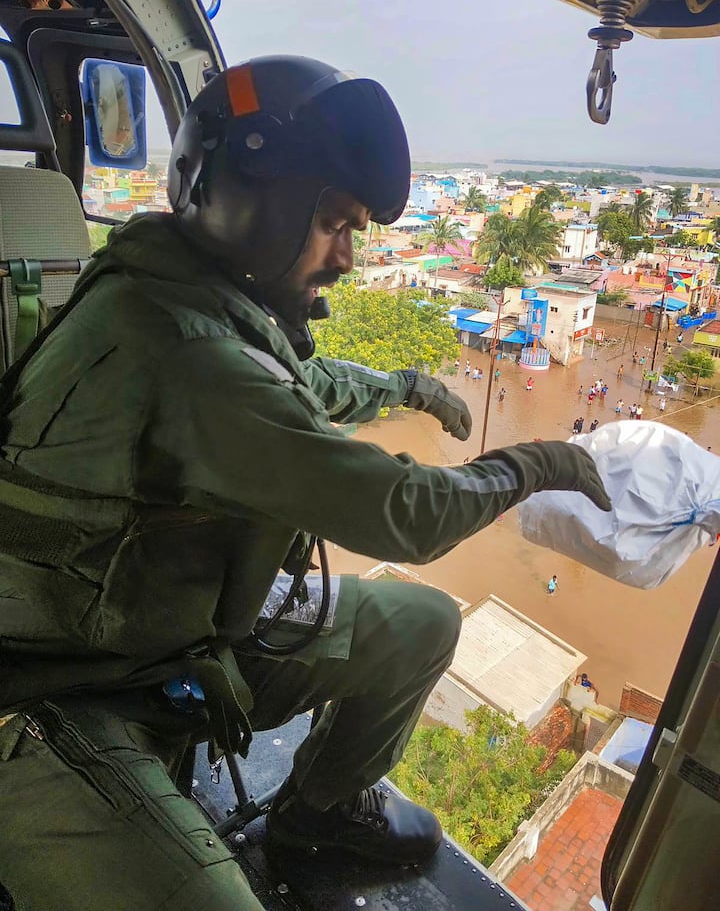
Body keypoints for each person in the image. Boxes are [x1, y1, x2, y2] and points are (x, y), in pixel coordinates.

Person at [0, 56, 611, 911]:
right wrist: (536, 463)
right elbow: (406, 514)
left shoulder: (189, 298)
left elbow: (302, 385)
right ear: (244, 191)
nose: (347, 258)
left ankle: (317, 814)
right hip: (56, 690)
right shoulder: (183, 353)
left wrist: (404, 385)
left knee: (419, 621)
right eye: (332, 223)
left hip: (175, 640)